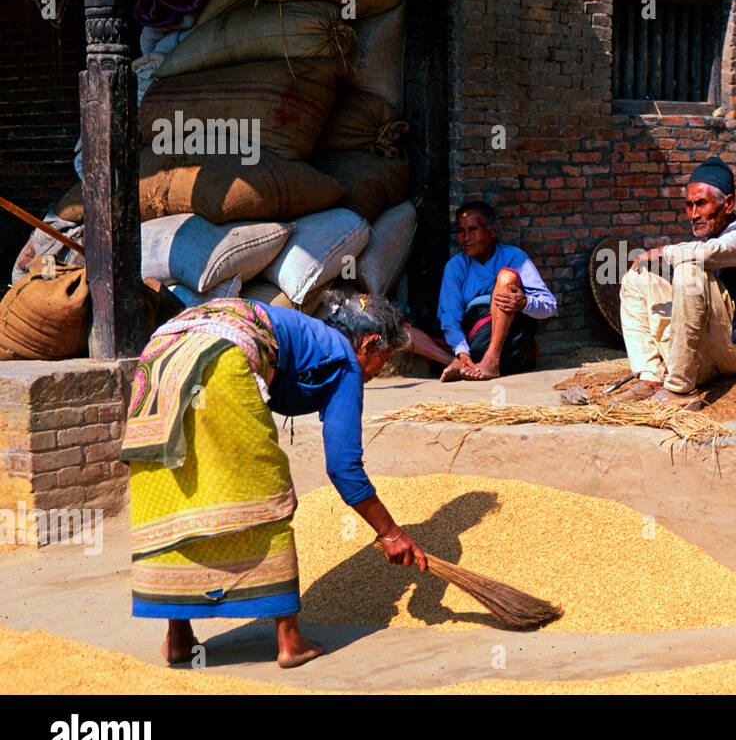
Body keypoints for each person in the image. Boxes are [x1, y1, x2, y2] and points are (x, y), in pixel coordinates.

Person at [120, 290, 428, 668]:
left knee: (179, 490)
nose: (380, 368)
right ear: (368, 343)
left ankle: (178, 638)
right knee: (270, 494)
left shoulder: (309, 338)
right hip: (220, 356)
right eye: (385, 357)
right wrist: (390, 532)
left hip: (160, 358)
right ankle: (289, 641)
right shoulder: (345, 359)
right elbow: (343, 466)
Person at [614, 156, 736, 406]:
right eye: (689, 205)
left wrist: (660, 253)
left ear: (728, 204)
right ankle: (651, 377)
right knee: (636, 278)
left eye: (701, 204)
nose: (693, 214)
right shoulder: (713, 235)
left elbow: (707, 252)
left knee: (690, 270)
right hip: (717, 345)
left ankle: (679, 391)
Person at [433, 199, 557, 381]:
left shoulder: (514, 256)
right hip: (477, 339)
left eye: (473, 230)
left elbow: (550, 306)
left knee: (506, 278)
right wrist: (462, 354)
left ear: (493, 231)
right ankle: (475, 363)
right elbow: (450, 317)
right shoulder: (456, 266)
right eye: (461, 231)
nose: (466, 238)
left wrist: (524, 303)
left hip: (514, 334)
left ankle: (491, 360)